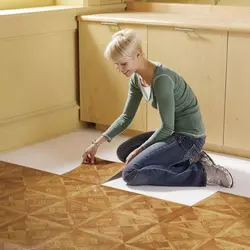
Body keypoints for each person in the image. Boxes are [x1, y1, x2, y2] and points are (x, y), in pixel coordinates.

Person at [82, 28, 233, 188]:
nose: (120, 69)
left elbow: (166, 128)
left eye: (123, 63)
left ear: (138, 54)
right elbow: (126, 116)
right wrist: (96, 144)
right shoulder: (136, 78)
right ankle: (187, 158)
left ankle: (203, 173)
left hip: (189, 138)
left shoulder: (162, 79)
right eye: (116, 65)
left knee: (131, 173)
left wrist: (139, 151)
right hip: (174, 133)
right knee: (124, 151)